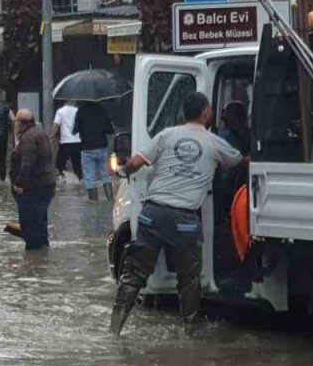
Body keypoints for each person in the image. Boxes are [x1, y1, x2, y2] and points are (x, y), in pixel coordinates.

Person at [110, 92, 244, 337]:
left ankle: (114, 332)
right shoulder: (214, 142)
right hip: (185, 221)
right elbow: (238, 162)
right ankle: (190, 333)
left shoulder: (166, 135)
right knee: (189, 281)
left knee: (134, 275)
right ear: (205, 113)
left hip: (152, 214)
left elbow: (135, 163)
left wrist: (121, 170)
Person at [10, 109, 56, 251]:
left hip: (33, 188)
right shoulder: (40, 133)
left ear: (21, 123)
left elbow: (27, 163)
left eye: (16, 122)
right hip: (46, 185)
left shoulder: (28, 138)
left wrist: (18, 183)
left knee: (30, 224)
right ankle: (42, 255)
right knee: (40, 222)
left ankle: (32, 259)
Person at [75, 101, 114, 201]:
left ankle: (93, 203)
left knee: (89, 177)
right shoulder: (102, 110)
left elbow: (74, 130)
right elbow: (110, 130)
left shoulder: (80, 111)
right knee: (105, 175)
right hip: (102, 147)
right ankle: (110, 200)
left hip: (87, 148)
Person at [51, 100, 83, 181]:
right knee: (77, 165)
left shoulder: (60, 111)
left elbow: (56, 125)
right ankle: (79, 179)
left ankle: (61, 179)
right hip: (77, 141)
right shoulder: (78, 110)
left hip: (65, 142)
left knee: (59, 164)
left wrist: (51, 136)